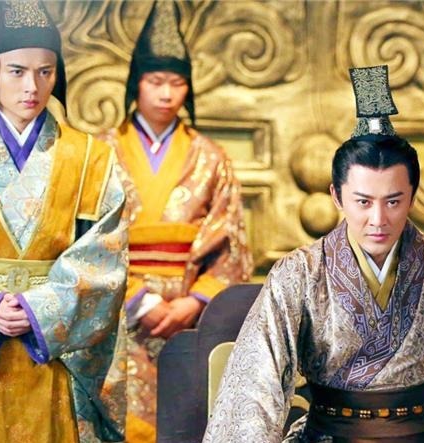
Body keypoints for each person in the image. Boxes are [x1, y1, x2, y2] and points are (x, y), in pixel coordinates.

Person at [204, 65, 424, 443]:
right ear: (336, 196)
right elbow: (254, 390)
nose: (378, 219)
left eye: (393, 201)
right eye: (363, 201)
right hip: (329, 437)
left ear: (412, 196)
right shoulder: (299, 273)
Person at [0, 1, 127, 442]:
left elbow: (105, 260)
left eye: (46, 72)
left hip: (54, 355)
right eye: (17, 71)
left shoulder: (92, 159)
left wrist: (37, 310)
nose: (33, 86)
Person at [98, 1, 253, 441]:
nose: (166, 94)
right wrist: (137, 300)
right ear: (136, 83)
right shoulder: (101, 153)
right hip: (118, 314)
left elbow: (232, 246)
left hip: (188, 320)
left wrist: (195, 303)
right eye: (155, 81)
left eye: (177, 83)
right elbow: (86, 239)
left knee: (183, 424)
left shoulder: (211, 158)